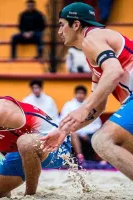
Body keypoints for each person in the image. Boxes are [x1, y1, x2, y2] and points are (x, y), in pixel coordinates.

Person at [41, 2, 133, 180]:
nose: (59, 31)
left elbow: (114, 72)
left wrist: (83, 107)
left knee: (102, 141)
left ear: (76, 25)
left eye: (61, 24)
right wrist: (63, 131)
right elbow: (98, 107)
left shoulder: (92, 38)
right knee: (122, 144)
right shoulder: (94, 50)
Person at [60, 85, 102, 161]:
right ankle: (80, 156)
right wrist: (81, 133)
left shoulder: (90, 106)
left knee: (100, 135)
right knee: (72, 133)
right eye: (78, 93)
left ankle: (102, 159)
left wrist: (86, 133)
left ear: (85, 95)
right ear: (75, 94)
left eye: (82, 93)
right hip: (75, 132)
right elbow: (64, 121)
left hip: (89, 132)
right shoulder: (68, 105)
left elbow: (97, 123)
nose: (80, 95)